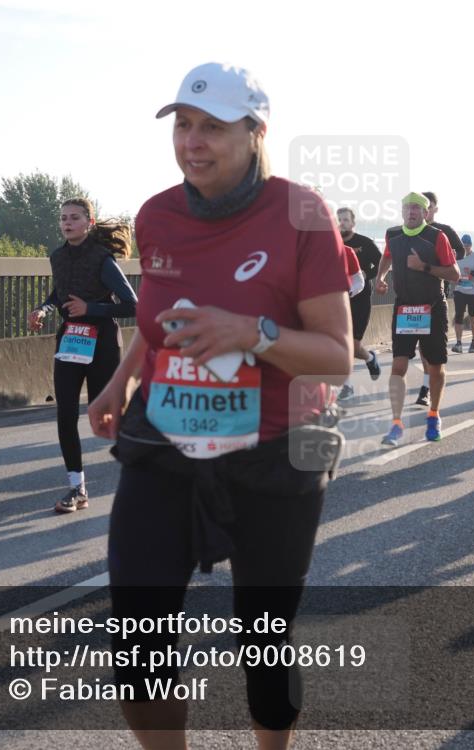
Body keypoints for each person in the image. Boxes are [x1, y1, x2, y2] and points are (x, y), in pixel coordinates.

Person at [87, 62, 352, 748]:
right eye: (183, 124)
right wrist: (120, 381)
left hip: (275, 448)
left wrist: (253, 334)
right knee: (137, 642)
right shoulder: (157, 217)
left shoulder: (302, 212)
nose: (192, 141)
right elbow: (164, 318)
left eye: (212, 127)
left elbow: (335, 355)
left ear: (256, 132)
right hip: (166, 438)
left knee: (265, 645)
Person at [27, 198, 137, 513]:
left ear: (89, 222)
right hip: (71, 341)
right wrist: (43, 309)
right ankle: (77, 487)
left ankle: (154, 466)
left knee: (110, 415)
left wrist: (92, 309)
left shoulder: (103, 259)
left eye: (74, 218)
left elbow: (133, 305)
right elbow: (58, 293)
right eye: (63, 218)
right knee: (65, 414)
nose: (67, 223)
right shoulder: (57, 256)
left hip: (102, 341)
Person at [375, 192, 460, 445]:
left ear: (426, 213)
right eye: (408, 207)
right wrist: (380, 277)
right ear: (402, 211)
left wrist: (423, 266)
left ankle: (433, 415)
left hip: (432, 307)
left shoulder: (436, 236)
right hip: (404, 308)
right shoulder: (392, 235)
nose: (412, 211)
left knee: (434, 367)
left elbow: (454, 274)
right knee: (398, 366)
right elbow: (387, 255)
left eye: (417, 208)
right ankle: (396, 423)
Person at [415, 191, 467, 405]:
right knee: (420, 344)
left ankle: (427, 387)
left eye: (429, 206)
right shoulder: (408, 232)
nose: (425, 210)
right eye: (421, 206)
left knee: (432, 347)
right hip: (411, 296)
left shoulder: (443, 231)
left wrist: (441, 262)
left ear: (435, 209)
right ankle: (427, 383)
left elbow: (461, 252)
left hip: (435, 294)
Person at [337, 207, 382, 399]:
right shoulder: (331, 243)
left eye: (346, 220)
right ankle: (346, 386)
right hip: (339, 300)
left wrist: (367, 274)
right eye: (339, 220)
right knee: (341, 344)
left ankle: (370, 358)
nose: (342, 223)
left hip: (361, 298)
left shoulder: (365, 243)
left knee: (354, 346)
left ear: (353, 223)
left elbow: (381, 265)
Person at [451, 233, 474, 353]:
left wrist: (473, 274)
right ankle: (458, 343)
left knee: (473, 317)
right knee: (459, 316)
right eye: (463, 245)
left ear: (470, 245)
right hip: (460, 290)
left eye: (467, 245)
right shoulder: (456, 257)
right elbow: (451, 272)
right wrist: (456, 278)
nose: (465, 247)